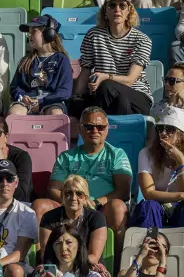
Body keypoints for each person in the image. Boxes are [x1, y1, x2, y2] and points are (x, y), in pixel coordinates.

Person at [130, 106, 184, 260]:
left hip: (181, 209)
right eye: (160, 128)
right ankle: (148, 259)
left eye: (170, 129)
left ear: (181, 134)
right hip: (158, 206)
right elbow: (148, 193)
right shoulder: (146, 154)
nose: (163, 133)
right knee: (149, 206)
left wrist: (181, 165)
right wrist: (181, 195)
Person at [48, 106, 131, 247]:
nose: (95, 131)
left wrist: (95, 203)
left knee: (118, 207)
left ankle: (116, 265)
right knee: (40, 205)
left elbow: (123, 191)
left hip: (102, 207)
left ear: (107, 129)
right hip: (69, 206)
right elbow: (53, 189)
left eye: (100, 127)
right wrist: (73, 203)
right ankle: (43, 265)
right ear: (80, 129)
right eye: (89, 127)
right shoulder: (66, 157)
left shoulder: (117, 154)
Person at [73, 0, 152, 115]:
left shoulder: (142, 40)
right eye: (112, 6)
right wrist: (77, 96)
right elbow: (85, 70)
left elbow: (130, 79)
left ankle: (97, 121)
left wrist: (105, 77)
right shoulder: (93, 35)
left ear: (129, 11)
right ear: (105, 11)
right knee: (77, 103)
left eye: (122, 6)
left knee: (108, 86)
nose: (117, 10)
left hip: (137, 96)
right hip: (106, 95)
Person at [9, 14, 72, 115]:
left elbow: (65, 91)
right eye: (29, 32)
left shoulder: (61, 60)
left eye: (33, 31)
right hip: (28, 102)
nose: (29, 35)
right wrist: (22, 96)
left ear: (48, 34)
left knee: (56, 113)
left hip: (52, 102)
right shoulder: (26, 60)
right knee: (14, 112)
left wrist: (42, 102)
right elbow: (15, 86)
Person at [39, 175, 108, 266]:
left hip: (87, 268)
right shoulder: (49, 218)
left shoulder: (96, 218)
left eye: (79, 194)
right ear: (62, 196)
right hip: (56, 268)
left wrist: (69, 265)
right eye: (68, 193)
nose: (73, 198)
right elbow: (47, 254)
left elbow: (94, 257)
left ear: (85, 198)